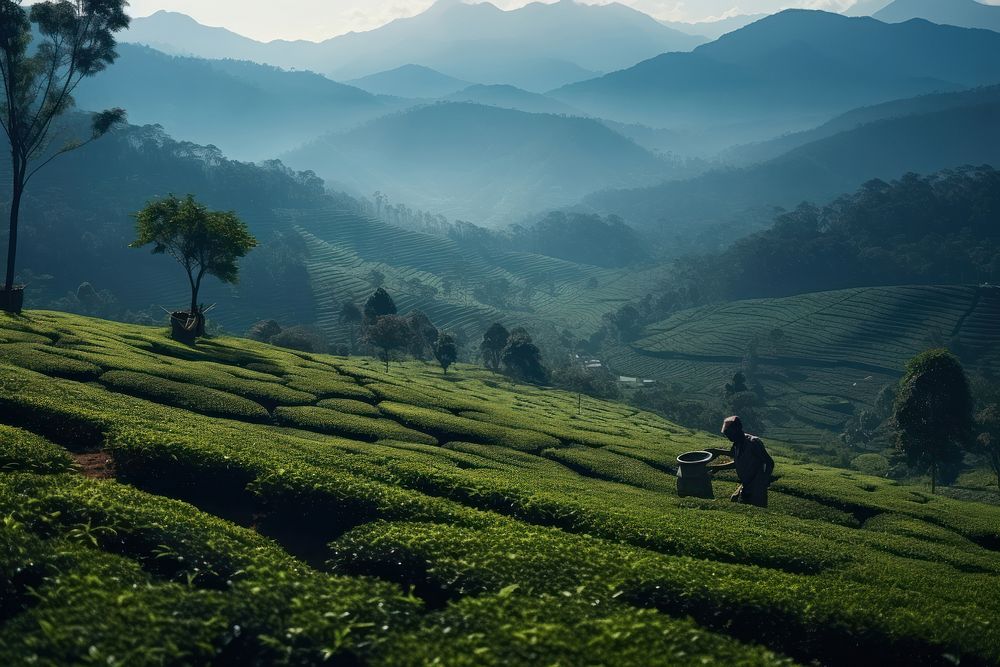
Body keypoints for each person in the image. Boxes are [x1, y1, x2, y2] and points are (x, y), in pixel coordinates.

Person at [706, 415, 774, 507]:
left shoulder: (753, 442)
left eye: (729, 434)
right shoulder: (736, 444)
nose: (728, 437)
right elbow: (738, 462)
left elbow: (769, 462)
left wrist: (763, 481)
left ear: (737, 430)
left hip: (757, 487)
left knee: (756, 511)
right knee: (736, 501)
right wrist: (718, 467)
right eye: (726, 434)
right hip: (746, 484)